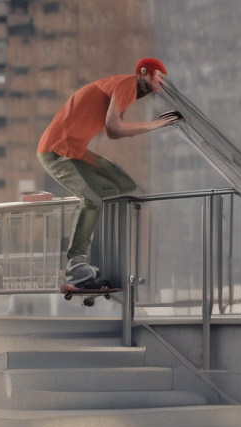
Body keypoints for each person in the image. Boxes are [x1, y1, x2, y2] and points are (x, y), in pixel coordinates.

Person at [38, 58, 183, 287]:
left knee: (125, 188)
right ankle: (75, 262)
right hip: (57, 151)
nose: (159, 85)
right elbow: (113, 129)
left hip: (77, 152)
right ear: (144, 73)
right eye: (157, 79)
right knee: (94, 197)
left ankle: (99, 259)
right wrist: (158, 124)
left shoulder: (128, 92)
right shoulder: (126, 84)